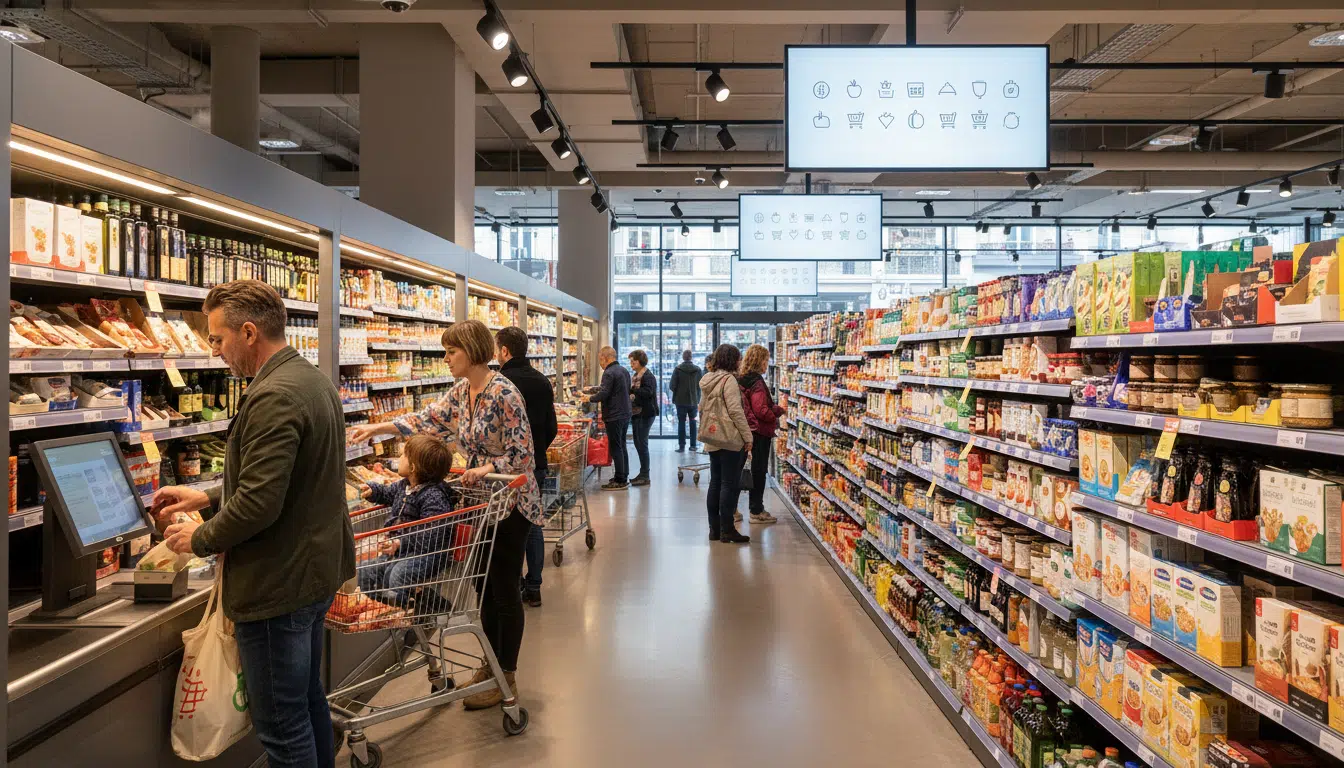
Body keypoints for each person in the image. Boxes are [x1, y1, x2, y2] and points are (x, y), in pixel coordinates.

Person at [155, 280, 355, 768]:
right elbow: (290, 477)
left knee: (282, 727)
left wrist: (199, 537)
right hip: (314, 570)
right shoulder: (310, 379)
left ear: (248, 332)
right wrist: (208, 495)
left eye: (218, 338)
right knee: (307, 701)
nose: (215, 350)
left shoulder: (274, 396)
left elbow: (260, 503)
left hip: (278, 583)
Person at [348, 319, 541, 711]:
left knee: (504, 589)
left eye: (451, 352)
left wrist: (488, 467)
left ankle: (507, 674)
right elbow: (428, 419)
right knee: (483, 589)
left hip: (511, 503)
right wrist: (380, 427)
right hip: (479, 504)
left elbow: (524, 454)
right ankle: (490, 665)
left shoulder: (505, 393)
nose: (446, 358)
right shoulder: (462, 391)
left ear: (471, 351)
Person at [495, 326, 557, 608]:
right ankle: (534, 586)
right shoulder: (542, 381)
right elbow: (552, 426)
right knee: (532, 524)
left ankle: (512, 583)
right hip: (536, 466)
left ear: (504, 350)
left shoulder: (498, 383)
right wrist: (537, 451)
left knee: (505, 526)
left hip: (503, 468)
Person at [358, 434, 457, 608]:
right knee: (363, 572)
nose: (399, 457)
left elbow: (431, 535)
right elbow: (387, 493)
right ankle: (378, 610)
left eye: (404, 455)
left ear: (413, 467)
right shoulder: (404, 485)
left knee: (397, 575)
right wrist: (373, 491)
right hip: (403, 551)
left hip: (428, 555)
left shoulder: (434, 497)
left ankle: (413, 612)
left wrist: (399, 543)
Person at [698, 343, 753, 544]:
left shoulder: (708, 378)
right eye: (738, 358)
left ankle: (714, 529)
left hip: (713, 437)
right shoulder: (728, 380)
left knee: (715, 482)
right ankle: (727, 529)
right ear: (732, 360)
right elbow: (735, 411)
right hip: (729, 438)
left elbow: (701, 407)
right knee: (729, 484)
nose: (740, 362)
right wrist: (748, 437)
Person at [739, 344, 786, 525]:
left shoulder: (742, 379)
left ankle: (735, 510)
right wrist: (774, 414)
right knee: (759, 472)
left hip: (747, 430)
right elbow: (760, 409)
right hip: (759, 432)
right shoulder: (757, 382)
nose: (767, 363)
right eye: (766, 360)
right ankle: (756, 510)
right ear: (759, 361)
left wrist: (777, 409)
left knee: (744, 470)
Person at [584, 346, 631, 490]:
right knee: (622, 445)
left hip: (614, 415)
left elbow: (605, 393)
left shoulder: (609, 372)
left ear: (605, 358)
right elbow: (617, 390)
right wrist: (594, 390)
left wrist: (588, 398)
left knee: (616, 447)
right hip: (625, 413)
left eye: (600, 359)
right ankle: (622, 475)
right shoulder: (624, 370)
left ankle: (620, 480)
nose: (600, 363)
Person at [627, 349, 658, 486]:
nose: (631, 364)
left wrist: (632, 390)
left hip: (645, 413)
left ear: (639, 362)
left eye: (633, 362)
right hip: (637, 413)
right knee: (638, 443)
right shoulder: (636, 376)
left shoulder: (647, 376)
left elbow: (648, 392)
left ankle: (645, 475)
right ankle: (643, 473)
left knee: (641, 444)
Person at [669, 350, 702, 452]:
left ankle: (681, 446)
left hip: (680, 401)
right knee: (693, 422)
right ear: (691, 357)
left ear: (683, 357)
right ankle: (693, 445)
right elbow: (701, 385)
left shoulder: (678, 369)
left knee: (681, 422)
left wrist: (679, 391)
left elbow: (672, 386)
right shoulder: (698, 370)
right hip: (693, 401)